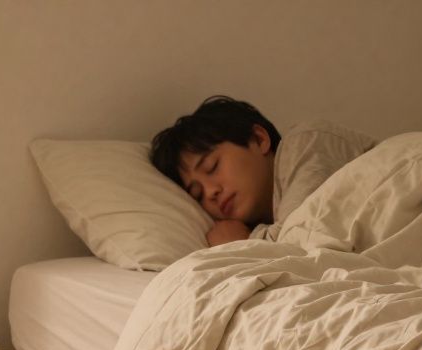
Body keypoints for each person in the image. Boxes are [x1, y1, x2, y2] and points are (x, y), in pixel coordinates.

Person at [150, 96, 376, 245]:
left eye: (212, 166)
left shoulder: (306, 141)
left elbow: (303, 246)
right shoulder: (265, 227)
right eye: (198, 194)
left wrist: (239, 244)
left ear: (259, 140)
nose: (210, 192)